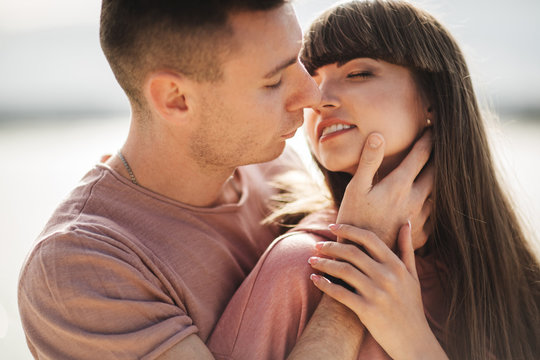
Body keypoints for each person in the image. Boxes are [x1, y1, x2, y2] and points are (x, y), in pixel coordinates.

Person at [17, 1, 433, 359]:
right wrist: (362, 258)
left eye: (299, 62)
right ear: (176, 99)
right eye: (274, 81)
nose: (310, 96)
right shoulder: (81, 270)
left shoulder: (274, 167)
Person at [207, 1, 540, 359]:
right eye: (313, 78)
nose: (318, 99)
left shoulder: (509, 277)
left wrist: (413, 340)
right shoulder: (306, 265)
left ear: (433, 97)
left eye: (357, 74)